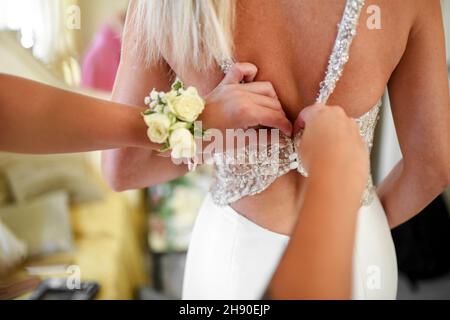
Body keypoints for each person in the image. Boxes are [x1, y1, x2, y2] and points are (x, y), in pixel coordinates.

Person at [103, 0, 450, 300]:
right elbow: (434, 165)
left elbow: (122, 168)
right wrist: (353, 216)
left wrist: (204, 135)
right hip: (358, 250)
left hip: (232, 258)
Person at [0, 72, 367, 299]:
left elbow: (117, 169)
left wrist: (191, 122)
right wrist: (335, 171)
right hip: (361, 241)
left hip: (227, 254)